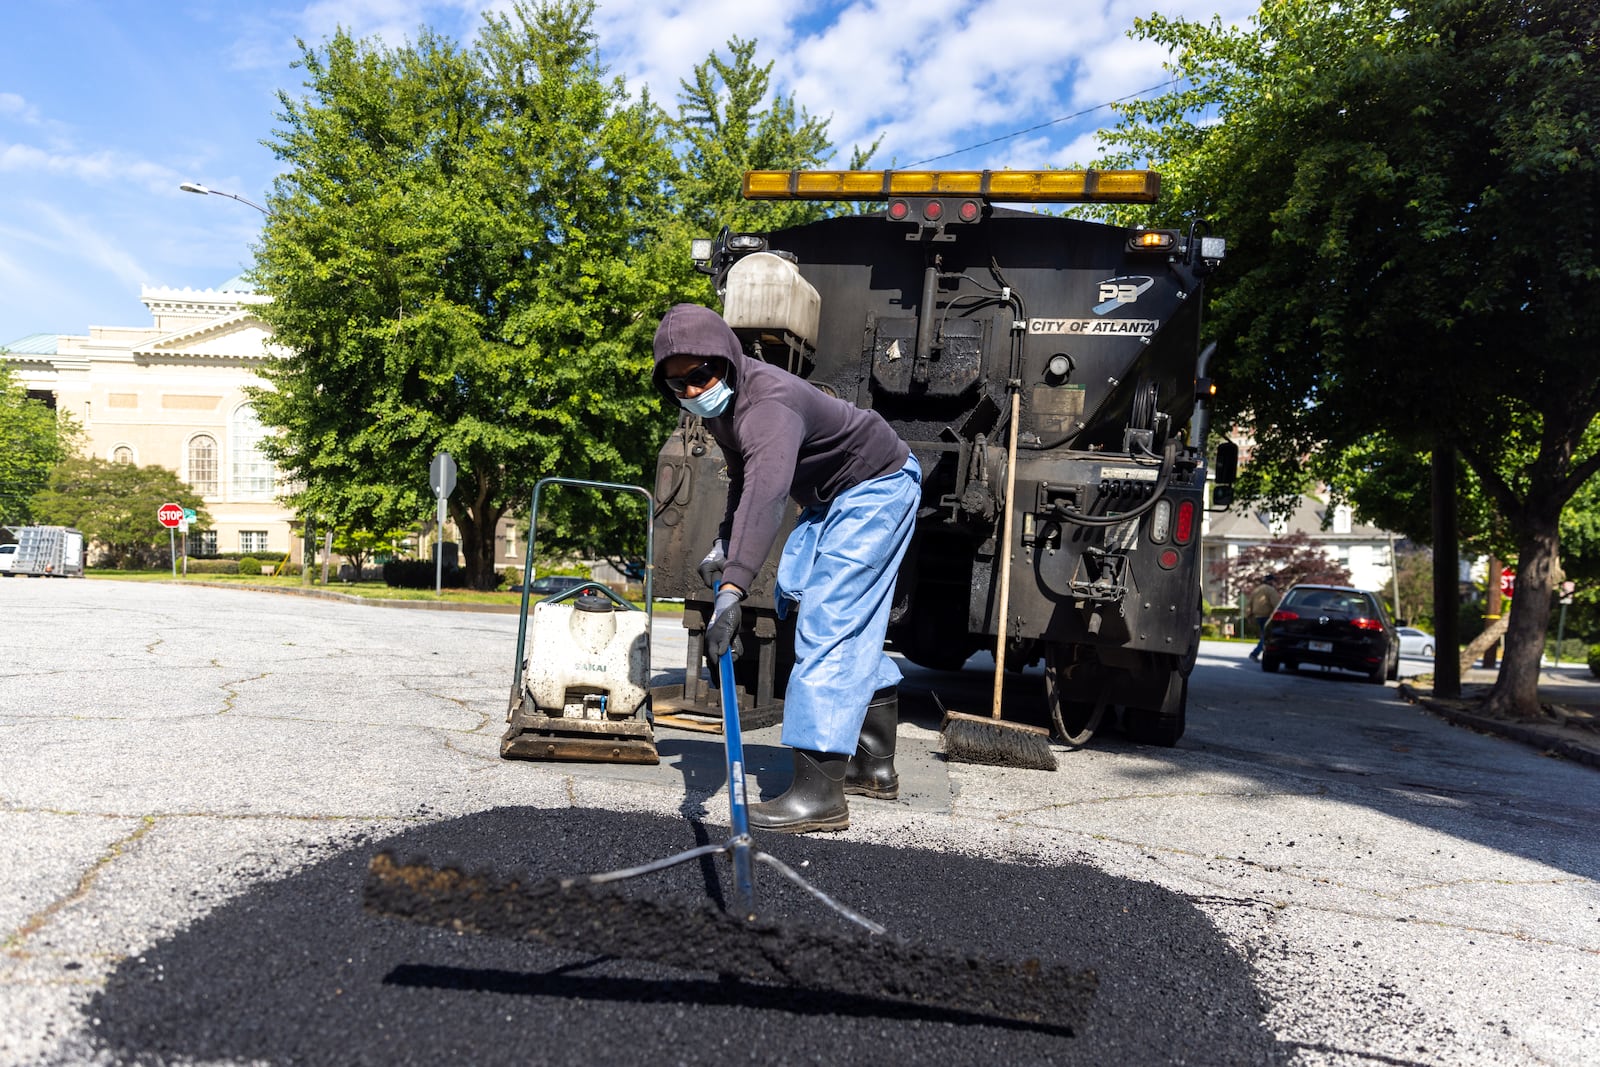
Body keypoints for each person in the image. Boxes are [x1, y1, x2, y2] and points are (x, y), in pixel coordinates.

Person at [653, 303, 920, 834]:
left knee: (831, 623)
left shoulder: (768, 405)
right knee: (811, 603)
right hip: (832, 499)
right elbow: (743, 487)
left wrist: (732, 589)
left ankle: (819, 794)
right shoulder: (725, 411)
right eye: (675, 382)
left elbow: (769, 497)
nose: (690, 390)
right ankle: (874, 763)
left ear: (726, 359)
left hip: (876, 488)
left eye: (699, 375)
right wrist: (722, 546)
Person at [1248, 576, 1280, 660]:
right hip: (1267, 616)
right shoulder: (1271, 590)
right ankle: (1255, 653)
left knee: (1264, 635)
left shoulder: (1256, 590)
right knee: (1266, 637)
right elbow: (1276, 604)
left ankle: (1256, 653)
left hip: (1257, 616)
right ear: (1271, 581)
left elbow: (1249, 603)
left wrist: (1249, 616)